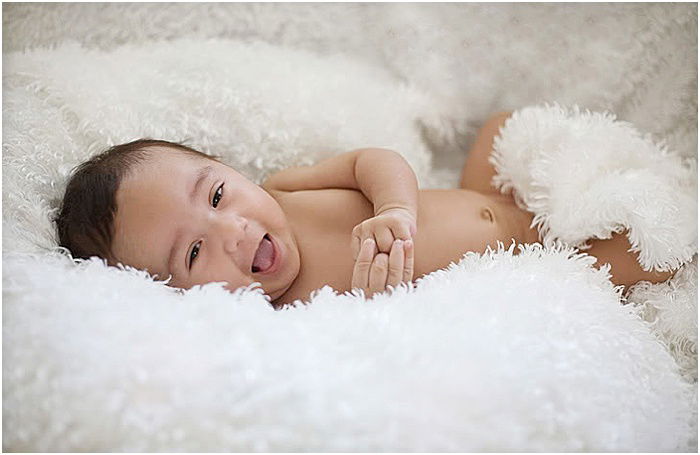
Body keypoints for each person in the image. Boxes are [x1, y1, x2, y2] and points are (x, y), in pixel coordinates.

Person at [55, 112, 675, 308]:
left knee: (502, 128)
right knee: (644, 250)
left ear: (228, 168)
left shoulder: (289, 188)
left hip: (502, 200)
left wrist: (397, 208)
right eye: (192, 254)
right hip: (547, 264)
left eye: (217, 195)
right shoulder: (288, 316)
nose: (231, 229)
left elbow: (371, 160)